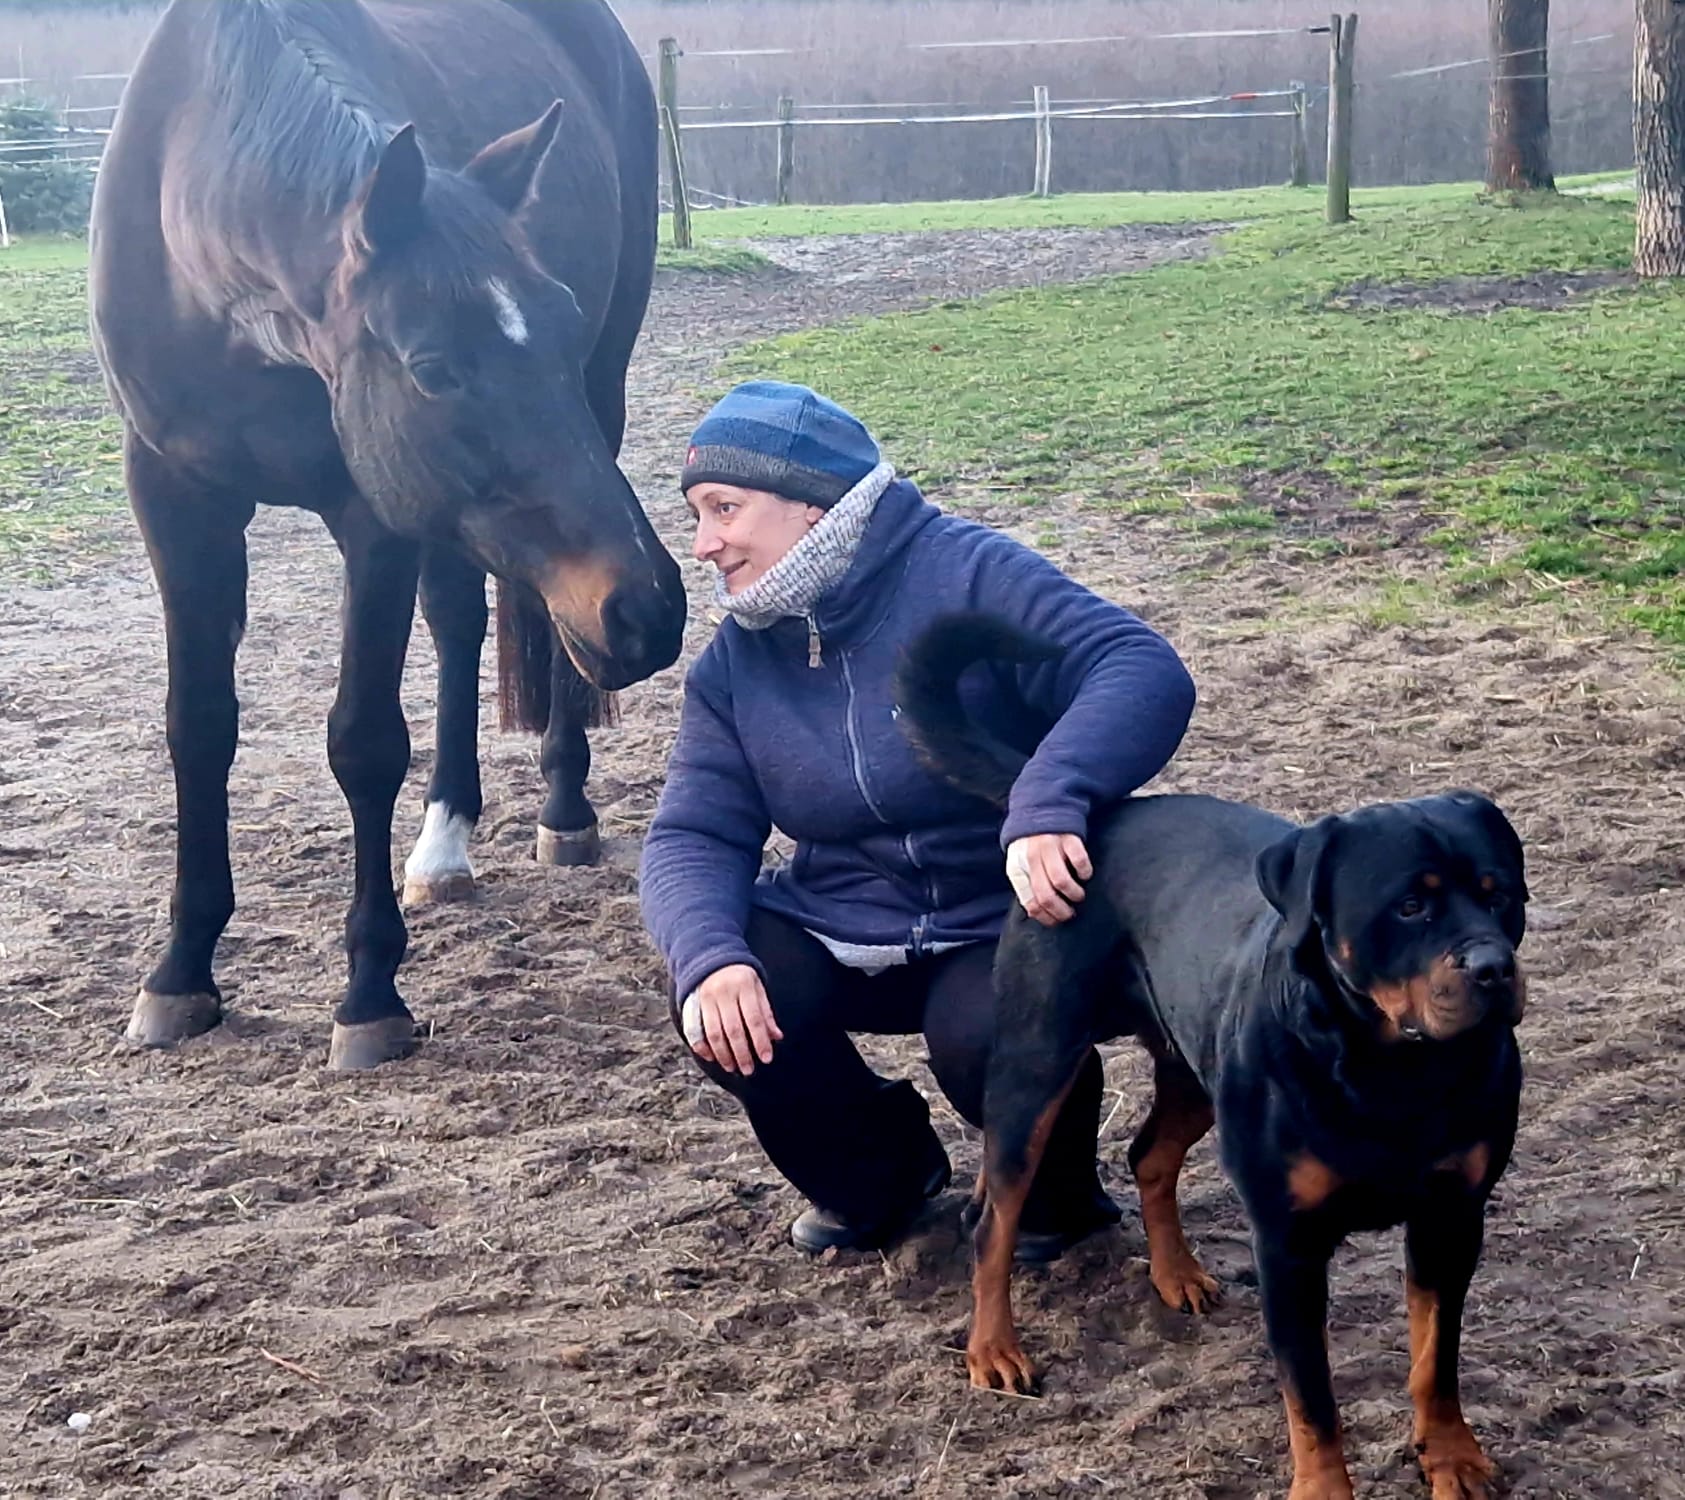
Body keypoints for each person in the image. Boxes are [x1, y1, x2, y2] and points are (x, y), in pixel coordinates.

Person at [639, 380, 1196, 1257]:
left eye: (724, 509)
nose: (704, 544)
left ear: (811, 504)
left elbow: (1134, 664)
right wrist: (706, 959)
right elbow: (692, 833)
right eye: (697, 516)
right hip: (841, 915)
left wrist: (1050, 800)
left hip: (1002, 915)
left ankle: (1057, 1200)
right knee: (727, 1000)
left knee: (986, 1030)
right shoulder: (737, 660)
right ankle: (876, 1184)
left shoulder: (968, 570)